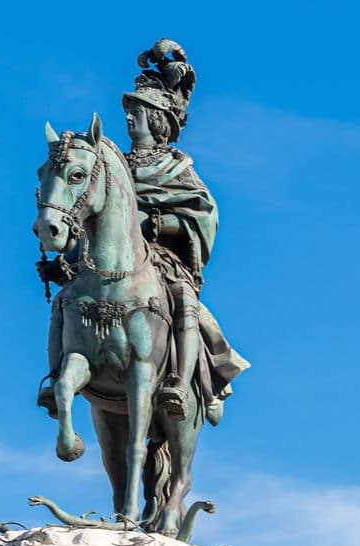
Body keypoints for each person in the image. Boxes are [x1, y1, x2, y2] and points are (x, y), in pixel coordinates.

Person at [37, 39, 247, 425]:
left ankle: (181, 383)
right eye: (130, 111)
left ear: (158, 119)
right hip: (106, 260)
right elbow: (89, 217)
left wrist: (155, 223)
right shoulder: (113, 164)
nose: (131, 117)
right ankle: (53, 379)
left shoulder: (175, 166)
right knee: (64, 300)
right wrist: (66, 260)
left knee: (183, 299)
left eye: (139, 111)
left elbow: (202, 215)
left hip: (161, 259)